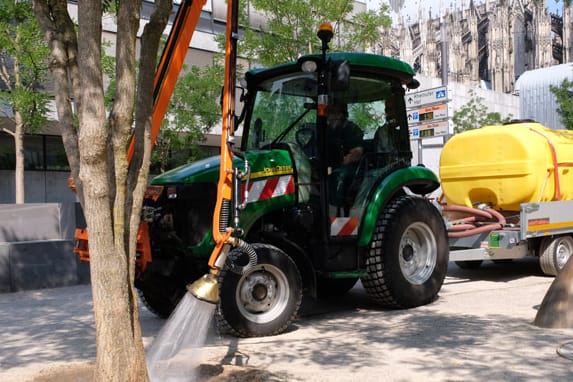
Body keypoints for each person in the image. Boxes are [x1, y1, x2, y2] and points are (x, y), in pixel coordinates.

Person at [326, 101, 364, 211]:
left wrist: (336, 166)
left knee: (338, 176)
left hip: (352, 167)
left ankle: (337, 211)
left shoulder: (352, 129)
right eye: (329, 113)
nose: (330, 116)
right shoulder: (328, 130)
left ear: (341, 114)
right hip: (332, 165)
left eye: (333, 112)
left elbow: (357, 152)